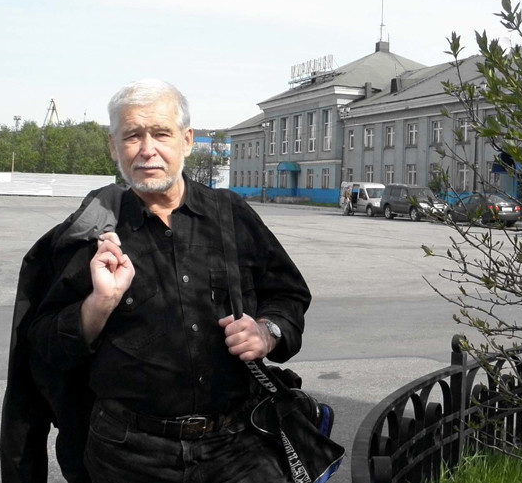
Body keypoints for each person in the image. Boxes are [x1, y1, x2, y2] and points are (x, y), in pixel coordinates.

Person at [25, 79, 312, 483]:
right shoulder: (93, 233)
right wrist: (98, 305)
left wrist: (267, 331)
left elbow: (288, 294)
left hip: (238, 446)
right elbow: (44, 345)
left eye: (161, 133)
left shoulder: (230, 214)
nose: (147, 149)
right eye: (132, 136)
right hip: (127, 453)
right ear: (113, 147)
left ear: (187, 140)